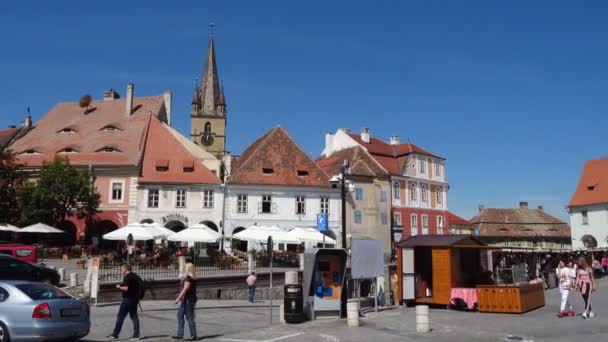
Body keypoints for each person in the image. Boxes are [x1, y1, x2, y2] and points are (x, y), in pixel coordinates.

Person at [107, 264, 142, 340]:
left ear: (126, 269)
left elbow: (126, 288)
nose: (121, 271)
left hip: (127, 299)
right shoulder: (135, 276)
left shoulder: (127, 277)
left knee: (120, 317)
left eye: (122, 269)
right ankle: (136, 335)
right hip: (135, 299)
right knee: (134, 316)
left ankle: (115, 334)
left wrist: (119, 287)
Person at [173, 263, 197, 341]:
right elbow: (186, 289)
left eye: (185, 267)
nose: (184, 269)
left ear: (188, 269)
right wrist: (180, 295)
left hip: (189, 300)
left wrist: (178, 298)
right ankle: (180, 334)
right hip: (186, 299)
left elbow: (185, 289)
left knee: (189, 318)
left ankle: (193, 335)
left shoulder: (189, 278)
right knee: (180, 315)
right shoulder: (191, 278)